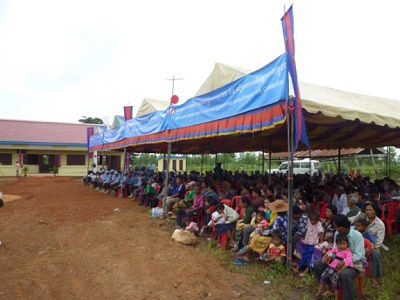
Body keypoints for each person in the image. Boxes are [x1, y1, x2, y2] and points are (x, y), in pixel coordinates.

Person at [313, 214, 365, 300]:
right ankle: (331, 287)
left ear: (345, 226)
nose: (337, 230)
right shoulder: (338, 233)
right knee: (318, 264)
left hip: (354, 263)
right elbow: (335, 248)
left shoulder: (357, 236)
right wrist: (329, 255)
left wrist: (345, 261)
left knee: (345, 274)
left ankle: (348, 298)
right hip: (338, 259)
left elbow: (359, 255)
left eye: (338, 227)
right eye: (336, 228)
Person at [316, 234, 353, 300]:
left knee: (335, 284)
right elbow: (330, 251)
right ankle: (320, 291)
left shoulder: (348, 252)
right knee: (323, 276)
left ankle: (336, 298)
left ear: (347, 244)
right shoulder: (337, 249)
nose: (341, 246)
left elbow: (348, 262)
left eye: (343, 244)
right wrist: (326, 255)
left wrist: (341, 271)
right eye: (339, 244)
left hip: (337, 270)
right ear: (337, 244)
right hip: (331, 267)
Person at [294, 212, 324, 277]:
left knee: (310, 257)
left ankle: (306, 271)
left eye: (314, 220)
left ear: (317, 220)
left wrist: (321, 241)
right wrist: (304, 237)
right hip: (307, 241)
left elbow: (320, 233)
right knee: (304, 255)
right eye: (311, 220)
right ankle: (298, 267)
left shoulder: (319, 224)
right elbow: (307, 230)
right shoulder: (309, 222)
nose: (312, 222)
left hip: (314, 242)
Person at [364, 202, 385, 286]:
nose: (368, 212)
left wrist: (369, 248)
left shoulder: (380, 224)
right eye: (366, 210)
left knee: (376, 253)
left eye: (370, 210)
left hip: (372, 245)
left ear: (375, 211)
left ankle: (374, 277)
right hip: (359, 242)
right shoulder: (362, 218)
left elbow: (379, 242)